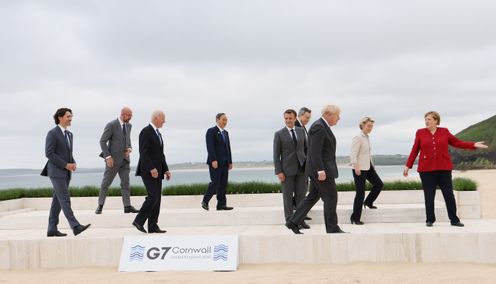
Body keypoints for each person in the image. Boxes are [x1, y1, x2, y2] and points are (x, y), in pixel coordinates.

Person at [403, 111, 488, 227]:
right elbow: (415, 149)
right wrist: (408, 165)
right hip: (426, 170)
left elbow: (457, 143)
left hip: (444, 169)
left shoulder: (444, 131)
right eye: (425, 119)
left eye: (429, 119)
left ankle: (454, 220)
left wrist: (473, 145)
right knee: (429, 195)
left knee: (448, 195)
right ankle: (430, 220)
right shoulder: (420, 133)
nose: (426, 121)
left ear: (436, 121)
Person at [286, 104, 346, 234]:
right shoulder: (319, 126)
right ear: (329, 114)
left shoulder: (322, 126)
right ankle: (332, 228)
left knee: (312, 196)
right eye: (337, 115)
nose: (339, 118)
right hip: (321, 171)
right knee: (330, 197)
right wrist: (320, 170)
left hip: (318, 170)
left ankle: (293, 222)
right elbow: (314, 151)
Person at [41, 108, 90, 237]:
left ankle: (52, 228)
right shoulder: (52, 133)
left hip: (66, 172)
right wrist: (65, 165)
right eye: (68, 116)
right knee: (65, 199)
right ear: (60, 118)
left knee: (57, 201)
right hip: (56, 172)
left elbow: (68, 153)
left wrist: (72, 162)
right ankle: (75, 226)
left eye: (71, 116)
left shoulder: (69, 134)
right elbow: (49, 153)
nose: (70, 119)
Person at [132, 110, 171, 233]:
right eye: (162, 118)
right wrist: (151, 168)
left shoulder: (158, 134)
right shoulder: (145, 132)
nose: (164, 121)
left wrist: (166, 169)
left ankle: (153, 226)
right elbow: (143, 153)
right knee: (153, 196)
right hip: (148, 171)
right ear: (155, 118)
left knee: (157, 198)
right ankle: (138, 220)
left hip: (158, 171)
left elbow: (160, 154)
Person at [95, 107, 139, 214]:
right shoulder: (111, 125)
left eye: (131, 116)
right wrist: (108, 157)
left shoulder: (129, 126)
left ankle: (127, 206)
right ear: (123, 114)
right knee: (106, 183)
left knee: (126, 184)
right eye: (129, 116)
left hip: (125, 160)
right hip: (112, 161)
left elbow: (128, 140)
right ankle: (100, 205)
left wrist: (129, 148)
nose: (130, 118)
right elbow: (102, 141)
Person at [273, 109, 309, 228]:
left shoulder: (301, 131)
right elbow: (276, 155)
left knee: (301, 196)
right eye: (286, 118)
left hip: (302, 169)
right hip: (286, 171)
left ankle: (301, 220)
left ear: (295, 119)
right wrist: (279, 171)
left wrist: (308, 165)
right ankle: (290, 221)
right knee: (287, 197)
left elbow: (306, 149)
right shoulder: (279, 134)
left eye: (290, 118)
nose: (288, 120)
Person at [349, 117, 383, 225]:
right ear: (362, 125)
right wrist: (356, 166)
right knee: (360, 193)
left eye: (372, 126)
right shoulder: (358, 137)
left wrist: (373, 166)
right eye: (368, 126)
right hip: (359, 168)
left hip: (368, 167)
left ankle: (368, 202)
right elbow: (353, 153)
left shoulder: (367, 137)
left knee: (379, 184)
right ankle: (355, 218)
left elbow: (367, 154)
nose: (370, 128)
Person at [202, 113, 233, 211]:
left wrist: (230, 161)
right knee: (215, 182)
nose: (225, 122)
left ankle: (221, 204)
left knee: (223, 184)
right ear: (217, 120)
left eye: (226, 120)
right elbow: (210, 147)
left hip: (225, 163)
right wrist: (213, 159)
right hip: (215, 162)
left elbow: (228, 148)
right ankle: (205, 201)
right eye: (223, 119)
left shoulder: (226, 133)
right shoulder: (211, 131)